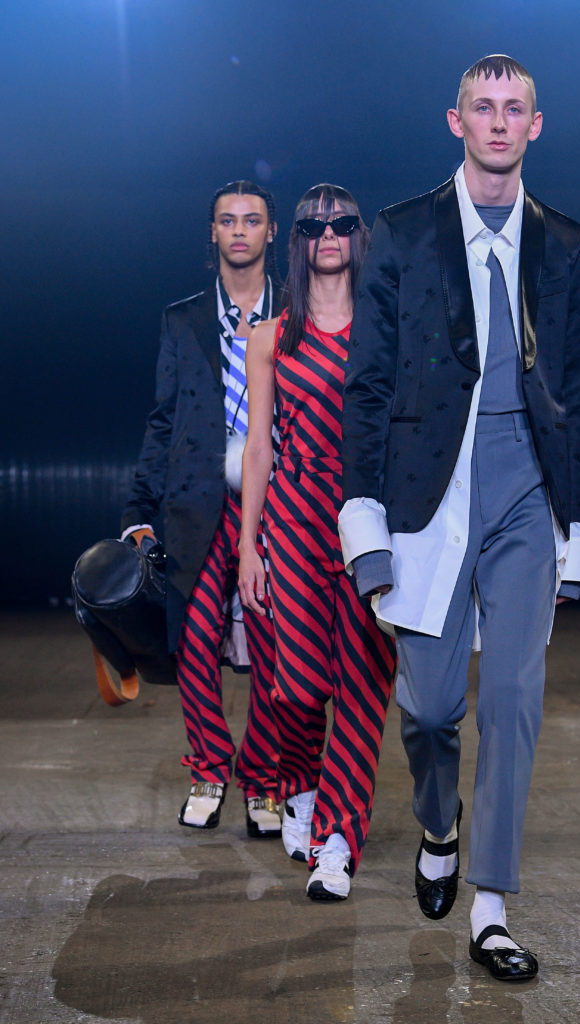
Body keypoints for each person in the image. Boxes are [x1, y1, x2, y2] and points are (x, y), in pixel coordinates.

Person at [339, 55, 580, 978]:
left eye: (512, 108)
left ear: (535, 125)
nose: (496, 121)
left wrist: (576, 532)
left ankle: (491, 905)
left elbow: (575, 391)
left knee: (515, 699)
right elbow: (367, 388)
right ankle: (437, 825)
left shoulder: (564, 242)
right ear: (455, 122)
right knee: (429, 708)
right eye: (481, 107)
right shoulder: (403, 232)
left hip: (527, 487)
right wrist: (365, 530)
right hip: (428, 492)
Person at [239, 184, 397, 901]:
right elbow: (258, 449)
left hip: (368, 518)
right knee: (297, 687)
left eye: (341, 223)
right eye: (312, 225)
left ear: (358, 236)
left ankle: (336, 842)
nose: (327, 235)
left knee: (362, 688)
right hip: (295, 517)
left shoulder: (383, 328)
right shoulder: (270, 337)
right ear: (296, 241)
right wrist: (248, 546)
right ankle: (300, 789)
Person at [121, 180, 285, 838]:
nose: (239, 230)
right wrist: (138, 508)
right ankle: (209, 769)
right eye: (227, 220)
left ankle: (265, 781)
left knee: (272, 641)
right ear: (212, 233)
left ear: (271, 232)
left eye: (252, 220)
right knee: (193, 639)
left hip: (277, 501)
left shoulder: (297, 312)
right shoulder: (183, 319)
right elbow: (164, 419)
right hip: (196, 499)